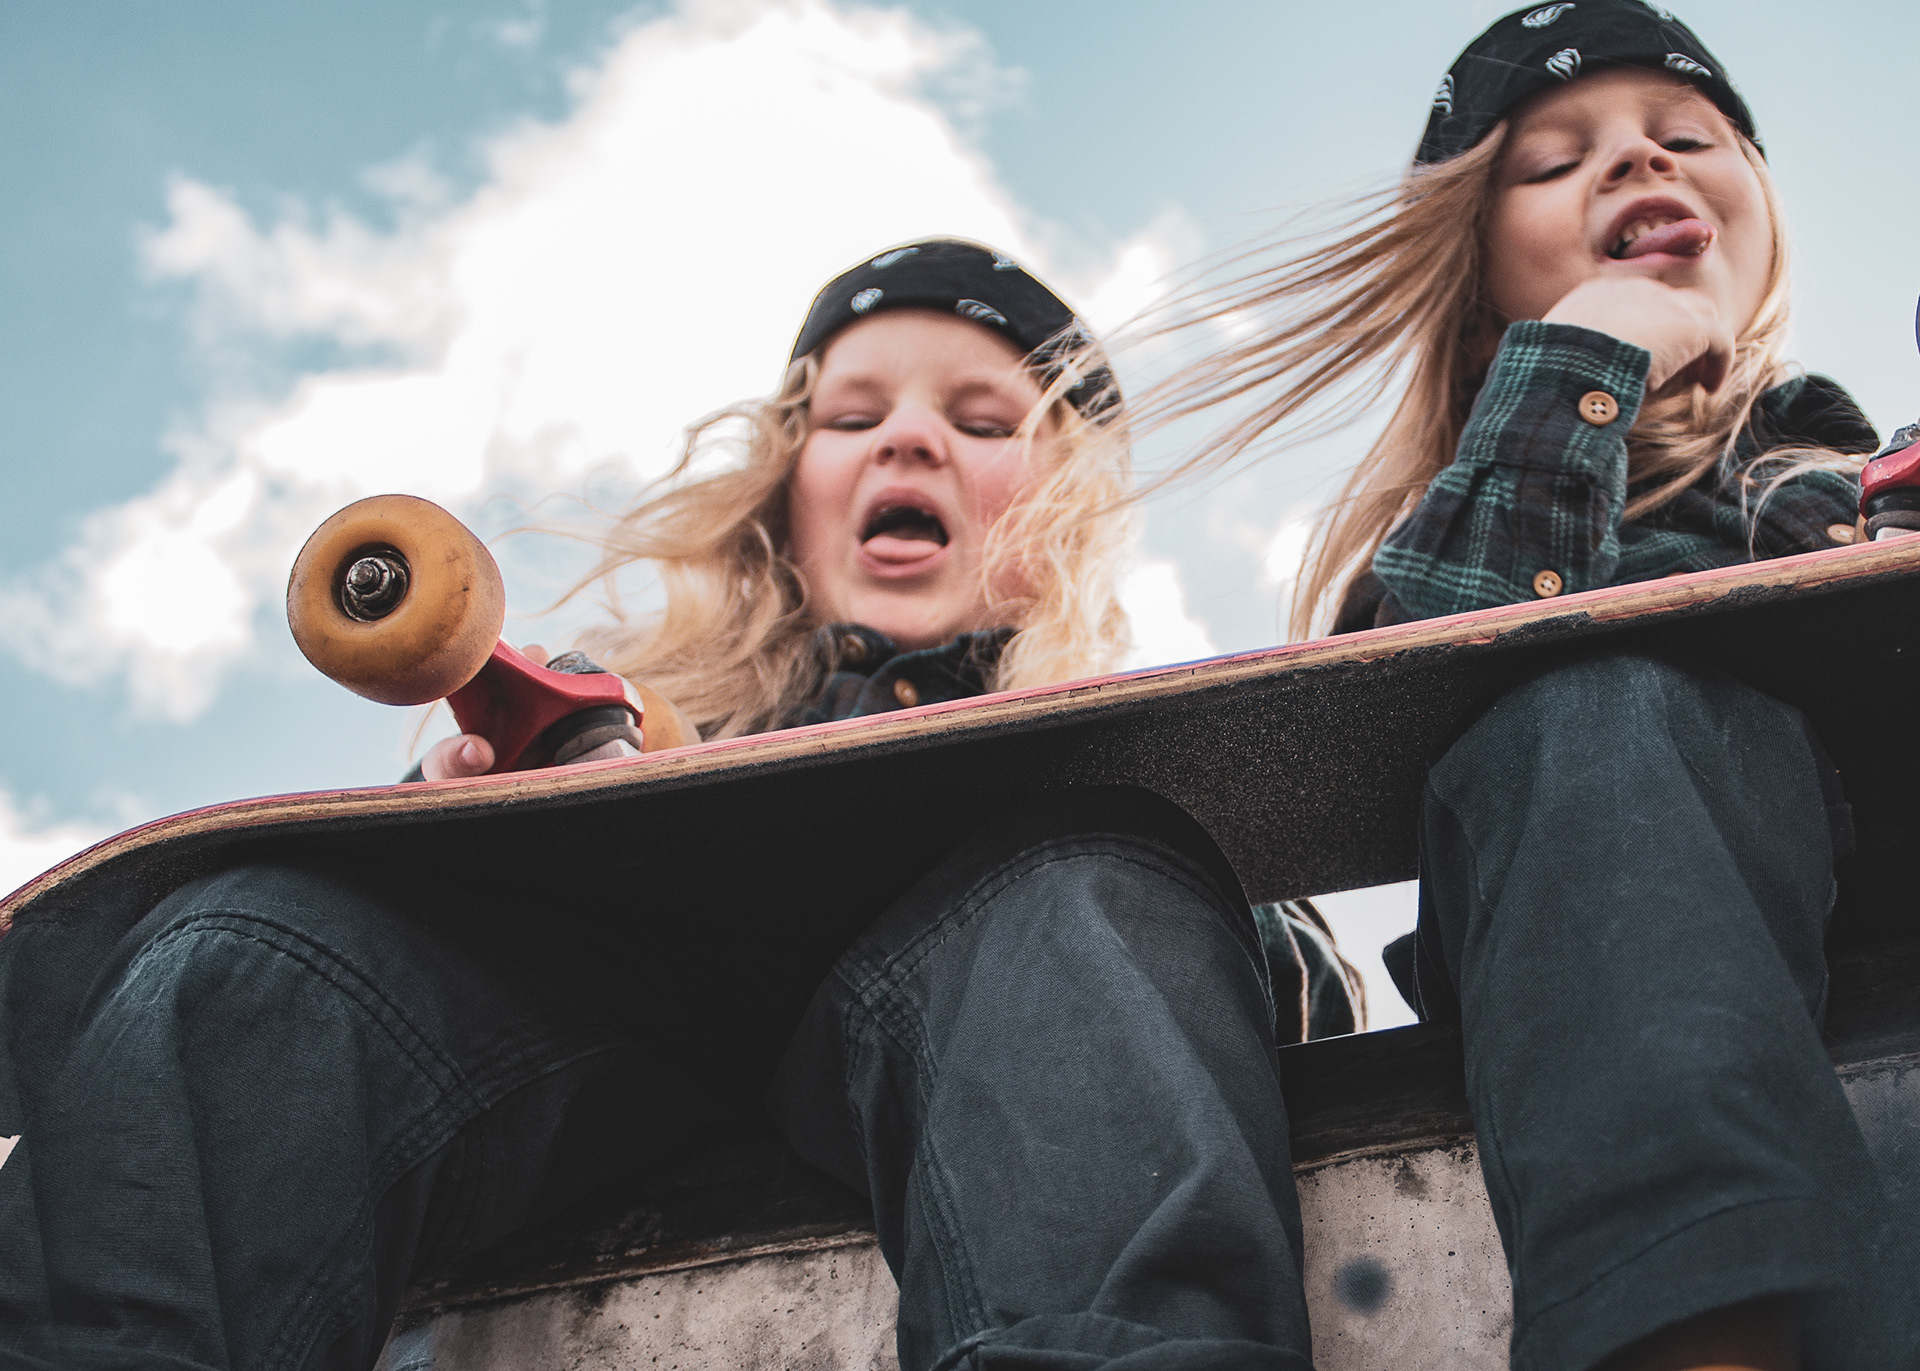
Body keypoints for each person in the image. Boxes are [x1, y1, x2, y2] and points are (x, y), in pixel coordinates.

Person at [0, 239, 1359, 1371]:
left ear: (1053, 514)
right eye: (852, 414)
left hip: (987, 1027)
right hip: (579, 1038)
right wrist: (432, 839)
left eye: (983, 420)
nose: (909, 436)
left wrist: (1190, 898)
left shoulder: (1126, 762)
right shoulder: (609, 705)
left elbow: (1306, 1003)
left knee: (1085, 892)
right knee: (263, 944)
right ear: (790, 491)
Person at [1138, 4, 1911, 1368]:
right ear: (1476, 262)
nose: (1636, 164)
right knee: (1594, 711)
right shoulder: (1443, 544)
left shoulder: (1858, 494)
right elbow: (1464, 637)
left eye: (1686, 136)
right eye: (1554, 162)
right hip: (1623, 981)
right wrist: (1592, 355)